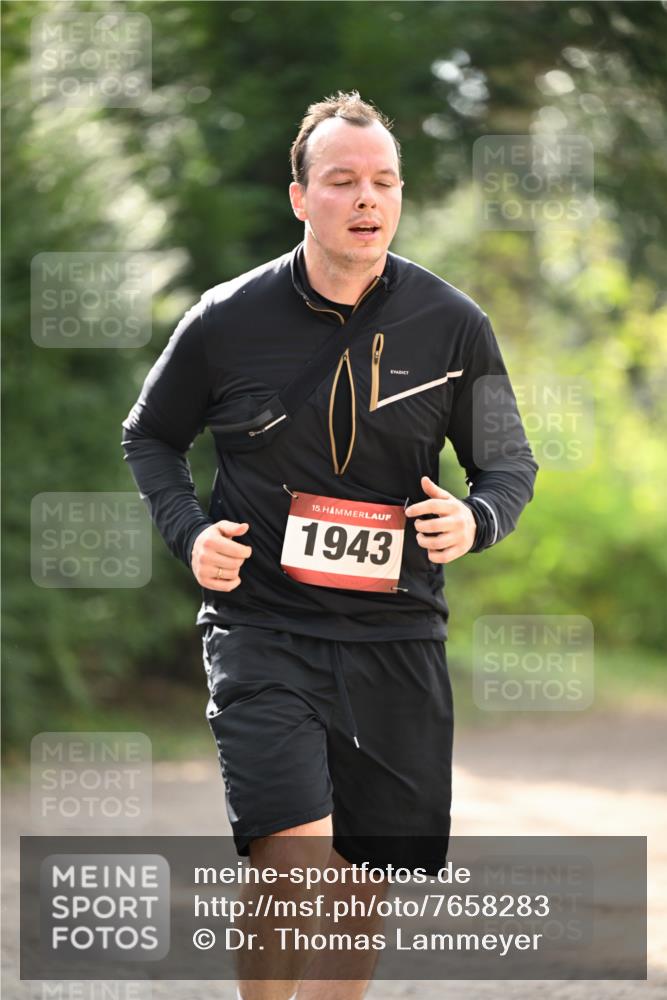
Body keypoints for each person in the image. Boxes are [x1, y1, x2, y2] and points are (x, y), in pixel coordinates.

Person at [121, 90, 538, 1000]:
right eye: (343, 180)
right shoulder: (225, 320)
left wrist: (477, 520)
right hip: (264, 625)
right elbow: (148, 437)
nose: (367, 198)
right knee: (292, 860)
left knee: (358, 885)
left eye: (384, 181)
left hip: (395, 636)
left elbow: (506, 464)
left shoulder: (454, 323)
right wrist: (189, 535)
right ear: (299, 196)